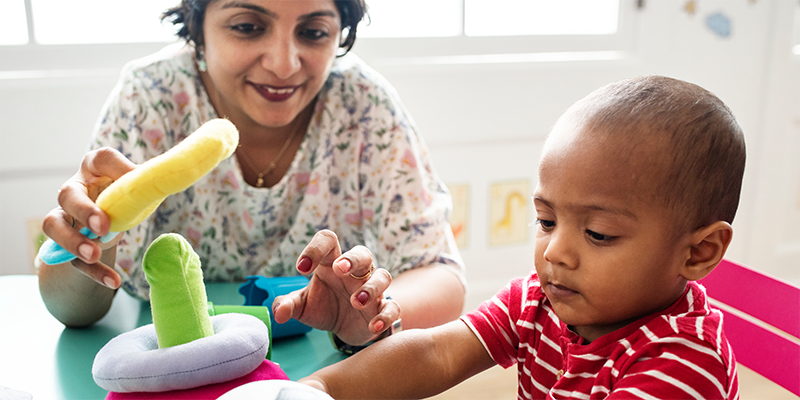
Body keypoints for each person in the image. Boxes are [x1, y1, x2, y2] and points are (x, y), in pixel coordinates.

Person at [36, 0, 466, 349]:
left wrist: (370, 311)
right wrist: (88, 237)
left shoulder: (363, 105)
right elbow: (74, 312)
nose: (283, 64)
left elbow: (440, 273)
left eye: (314, 32)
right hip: (172, 359)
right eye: (247, 26)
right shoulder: (150, 97)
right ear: (197, 22)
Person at [298, 75, 745, 399]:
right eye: (547, 221)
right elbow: (437, 354)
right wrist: (316, 387)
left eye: (598, 233)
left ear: (699, 251)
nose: (555, 251)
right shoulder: (539, 300)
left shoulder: (684, 367)